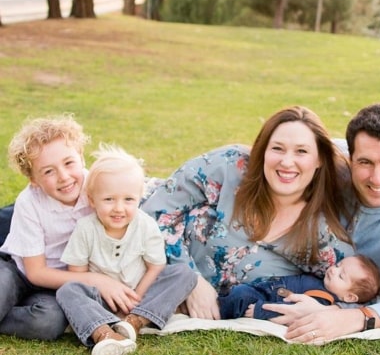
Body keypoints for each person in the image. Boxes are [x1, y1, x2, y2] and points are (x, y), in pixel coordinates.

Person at [140, 105, 355, 323]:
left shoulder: (321, 238)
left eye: (302, 151)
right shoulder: (229, 166)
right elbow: (154, 213)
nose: (287, 161)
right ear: (263, 151)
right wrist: (190, 281)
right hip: (129, 229)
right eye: (278, 148)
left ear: (319, 159)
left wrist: (321, 309)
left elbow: (354, 294)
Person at [263, 103, 380, 343]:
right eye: (365, 162)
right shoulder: (326, 161)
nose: (377, 179)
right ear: (349, 158)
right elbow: (270, 164)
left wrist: (348, 318)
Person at [0, 115, 141, 340]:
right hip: (19, 271)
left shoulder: (97, 187)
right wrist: (96, 280)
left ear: (82, 158)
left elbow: (128, 190)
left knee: (48, 322)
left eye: (69, 163)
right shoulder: (29, 202)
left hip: (59, 284)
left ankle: (8, 313)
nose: (64, 177)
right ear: (33, 180)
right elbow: (35, 272)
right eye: (48, 171)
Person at [56, 145, 197, 355]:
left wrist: (136, 299)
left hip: (140, 292)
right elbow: (77, 273)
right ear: (92, 200)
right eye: (109, 199)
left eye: (128, 200)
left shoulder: (145, 225)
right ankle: (104, 334)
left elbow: (156, 266)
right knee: (68, 290)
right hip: (101, 299)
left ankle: (134, 322)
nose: (118, 208)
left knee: (184, 274)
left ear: (139, 198)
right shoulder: (86, 228)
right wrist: (99, 290)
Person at [218, 254, 380, 321]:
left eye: (341, 276)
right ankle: (225, 295)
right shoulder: (322, 280)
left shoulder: (322, 299)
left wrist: (261, 310)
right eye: (338, 265)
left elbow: (293, 309)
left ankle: (220, 308)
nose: (334, 270)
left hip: (264, 301)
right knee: (240, 290)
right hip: (265, 288)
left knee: (240, 296)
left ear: (349, 297)